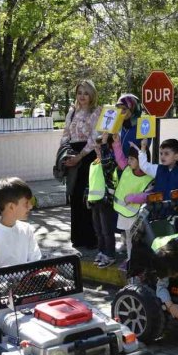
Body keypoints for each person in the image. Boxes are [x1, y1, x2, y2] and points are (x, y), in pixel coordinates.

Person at [60, 80, 103, 250]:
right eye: (79, 92)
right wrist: (66, 153)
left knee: (88, 198)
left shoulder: (97, 112)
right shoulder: (72, 112)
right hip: (73, 156)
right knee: (75, 197)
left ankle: (92, 238)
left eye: (86, 93)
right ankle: (78, 238)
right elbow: (65, 134)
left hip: (89, 157)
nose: (82, 96)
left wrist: (80, 156)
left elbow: (95, 138)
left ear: (92, 94)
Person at [108, 133, 153, 260]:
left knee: (137, 240)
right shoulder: (127, 169)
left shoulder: (149, 177)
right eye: (129, 158)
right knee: (128, 238)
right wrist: (116, 143)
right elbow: (120, 158)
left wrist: (133, 198)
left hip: (137, 216)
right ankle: (130, 260)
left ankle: (136, 262)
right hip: (125, 214)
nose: (128, 161)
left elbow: (148, 195)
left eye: (132, 159)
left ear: (141, 161)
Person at [0, 177, 42, 268]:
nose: (30, 206)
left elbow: (36, 260)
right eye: (26, 203)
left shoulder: (27, 229)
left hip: (28, 281)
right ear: (11, 206)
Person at [87, 136, 118, 267]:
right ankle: (101, 252)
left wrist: (105, 144)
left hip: (106, 201)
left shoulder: (109, 161)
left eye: (100, 147)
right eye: (96, 147)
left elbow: (107, 162)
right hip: (95, 202)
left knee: (107, 230)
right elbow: (90, 182)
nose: (97, 149)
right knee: (98, 231)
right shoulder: (93, 163)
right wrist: (87, 196)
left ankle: (110, 254)